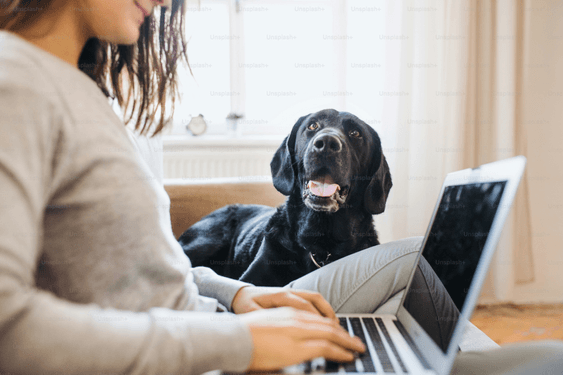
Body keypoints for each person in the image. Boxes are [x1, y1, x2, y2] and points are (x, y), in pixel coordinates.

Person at [0, 1, 562, 374]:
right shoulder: (16, 80)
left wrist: (237, 294)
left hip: (221, 325)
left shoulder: (83, 95)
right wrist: (241, 341)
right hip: (214, 352)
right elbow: (9, 328)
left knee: (456, 323)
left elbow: (145, 271)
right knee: (531, 354)